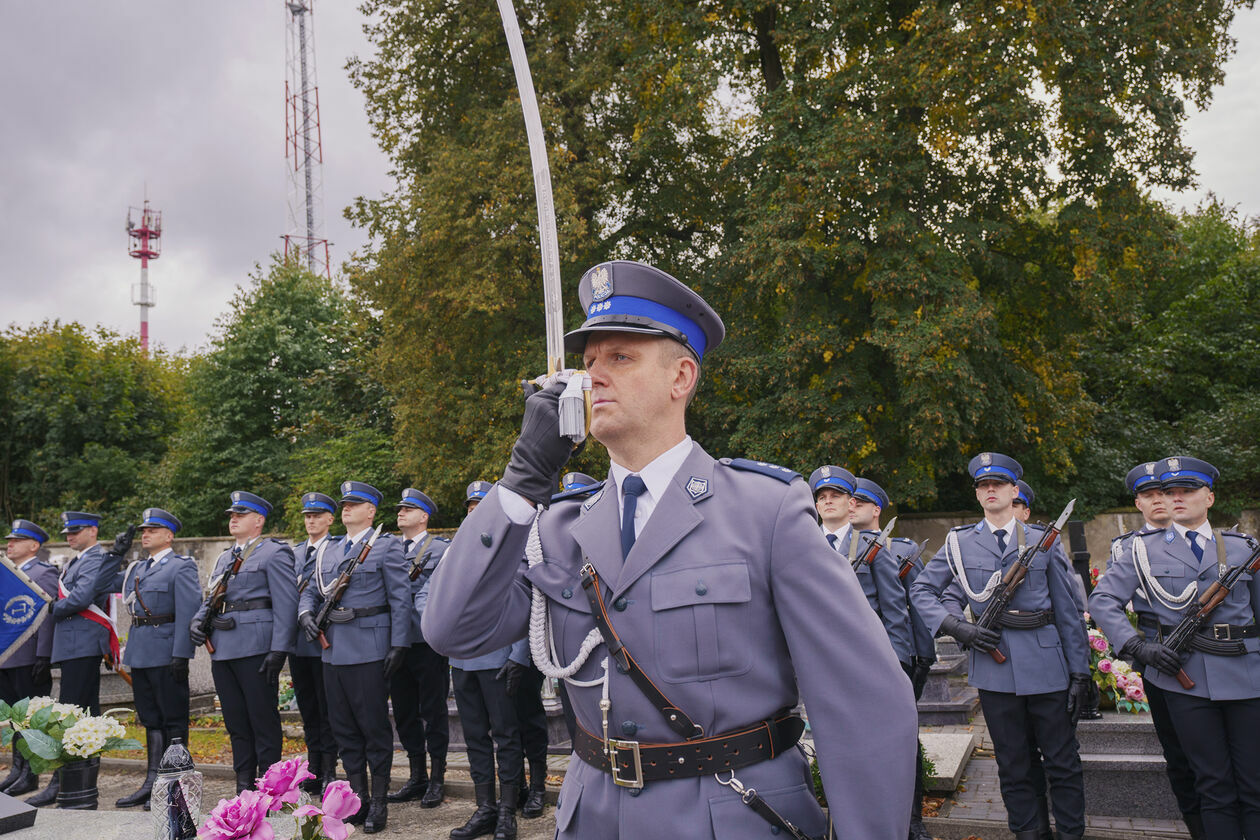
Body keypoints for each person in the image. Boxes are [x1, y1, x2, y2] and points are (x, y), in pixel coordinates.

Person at [423, 260, 917, 839]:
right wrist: (520, 482)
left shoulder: (766, 510)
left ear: (681, 377)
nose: (593, 377)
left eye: (620, 358)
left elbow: (864, 702)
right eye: (588, 363)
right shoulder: (557, 526)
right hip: (594, 820)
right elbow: (453, 630)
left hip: (731, 817)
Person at [911, 452, 1090, 840]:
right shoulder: (959, 543)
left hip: (1047, 664)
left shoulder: (1043, 540)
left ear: (1013, 491)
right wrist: (958, 628)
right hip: (994, 669)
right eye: (982, 485)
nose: (990, 490)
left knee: (1062, 762)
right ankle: (1030, 834)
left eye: (998, 484)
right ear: (978, 495)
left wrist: (1080, 671)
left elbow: (1068, 610)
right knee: (1012, 764)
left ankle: (1072, 834)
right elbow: (923, 589)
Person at [1090, 457, 1256, 840]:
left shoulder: (1243, 547)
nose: (1176, 498)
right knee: (1212, 785)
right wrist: (1135, 645)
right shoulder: (1142, 551)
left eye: (1188, 491)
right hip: (1187, 681)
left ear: (1209, 497)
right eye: (1170, 492)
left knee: (1254, 783)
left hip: (1248, 676)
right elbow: (1103, 600)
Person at [298, 481, 409, 834]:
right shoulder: (329, 550)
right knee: (344, 729)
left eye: (354, 504)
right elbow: (312, 593)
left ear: (371, 511)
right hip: (332, 651)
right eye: (344, 504)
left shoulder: (384, 547)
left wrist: (399, 645)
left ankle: (378, 802)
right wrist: (304, 615)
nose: (346, 508)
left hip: (370, 649)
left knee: (373, 729)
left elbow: (400, 599)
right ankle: (356, 799)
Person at [1102, 461, 1202, 839]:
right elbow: (1111, 602)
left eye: (1165, 492)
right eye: (1149, 495)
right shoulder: (1127, 549)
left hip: (1213, 656)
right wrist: (1136, 650)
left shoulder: (1213, 542)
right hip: (1158, 657)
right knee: (1178, 753)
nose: (1159, 500)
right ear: (1138, 503)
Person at [189, 492, 297, 793]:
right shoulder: (225, 557)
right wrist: (197, 620)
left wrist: (279, 649)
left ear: (258, 520)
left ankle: (269, 789)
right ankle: (243, 786)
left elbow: (286, 605)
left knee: (263, 721)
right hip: (223, 648)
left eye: (241, 514)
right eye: (232, 514)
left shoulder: (274, 553)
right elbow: (211, 596)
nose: (233, 518)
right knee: (236, 722)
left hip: (257, 648)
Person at [29, 510, 132, 806]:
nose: (69, 537)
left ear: (93, 531)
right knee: (76, 717)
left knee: (77, 717)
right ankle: (68, 782)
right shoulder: (77, 560)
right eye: (67, 533)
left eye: (75, 532)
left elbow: (82, 596)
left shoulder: (94, 558)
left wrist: (52, 609)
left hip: (83, 645)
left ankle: (69, 785)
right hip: (73, 645)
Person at [115, 508, 202, 809]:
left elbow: (189, 611)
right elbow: (104, 585)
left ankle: (176, 786)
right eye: (143, 531)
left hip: (167, 653)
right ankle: (153, 781)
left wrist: (182, 654)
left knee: (173, 719)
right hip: (141, 652)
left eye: (152, 530)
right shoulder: (137, 568)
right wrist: (116, 553)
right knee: (151, 719)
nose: (145, 534)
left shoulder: (181, 567)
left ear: (169, 535)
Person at [812, 469, 914, 670]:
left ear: (850, 504)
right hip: (818, 654)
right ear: (816, 506)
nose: (828, 501)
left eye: (835, 496)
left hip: (865, 653)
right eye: (822, 498)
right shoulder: (803, 546)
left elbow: (893, 607)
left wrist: (899, 659)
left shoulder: (871, 546)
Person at [388, 487, 451, 809]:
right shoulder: (388, 549)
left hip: (427, 643)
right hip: (396, 643)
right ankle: (417, 776)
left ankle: (438, 776)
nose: (401, 513)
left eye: (408, 509)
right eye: (399, 509)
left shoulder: (440, 549)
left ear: (423, 516)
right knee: (404, 713)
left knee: (433, 711)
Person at [0, 520, 57, 796]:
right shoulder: (8, 572)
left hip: (28, 657)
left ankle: (31, 774)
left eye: (16, 540)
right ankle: (17, 769)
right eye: (9, 539)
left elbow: (46, 616)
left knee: (29, 719)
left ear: (33, 546)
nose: (9, 544)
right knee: (11, 718)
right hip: (6, 657)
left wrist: (43, 655)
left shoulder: (42, 572)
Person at [291, 492, 341, 794]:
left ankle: (330, 770)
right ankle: (313, 769)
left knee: (327, 709)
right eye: (307, 516)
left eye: (317, 515)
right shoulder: (295, 553)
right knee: (308, 708)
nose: (311, 520)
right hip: (299, 641)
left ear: (329, 519)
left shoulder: (336, 550)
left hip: (325, 639)